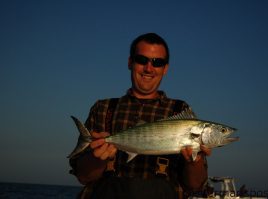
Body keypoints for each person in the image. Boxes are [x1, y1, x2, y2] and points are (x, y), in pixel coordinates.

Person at [69, 33, 211, 199]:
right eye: (142, 60)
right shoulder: (104, 108)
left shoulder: (180, 111)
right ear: (130, 62)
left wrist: (195, 161)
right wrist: (96, 158)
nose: (149, 68)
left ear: (165, 69)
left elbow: (195, 185)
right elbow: (83, 176)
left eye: (157, 62)